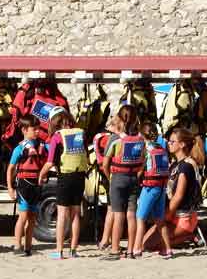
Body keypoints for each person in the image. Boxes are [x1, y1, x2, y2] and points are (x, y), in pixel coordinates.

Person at [143, 128, 205, 258]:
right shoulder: (176, 164)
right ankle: (184, 236)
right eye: (168, 141)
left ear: (182, 144)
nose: (169, 144)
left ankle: (190, 234)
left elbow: (178, 196)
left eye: (172, 141)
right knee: (145, 242)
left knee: (152, 245)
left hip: (183, 217)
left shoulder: (186, 166)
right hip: (174, 216)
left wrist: (165, 215)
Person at [39, 111, 88, 259]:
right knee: (75, 215)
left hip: (65, 177)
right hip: (79, 177)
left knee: (62, 215)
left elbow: (50, 162)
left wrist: (41, 175)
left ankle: (59, 251)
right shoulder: (81, 133)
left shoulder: (57, 136)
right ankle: (73, 250)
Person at [102, 104, 145, 260]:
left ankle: (115, 250)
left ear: (120, 118)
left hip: (118, 178)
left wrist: (110, 177)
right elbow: (142, 162)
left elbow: (105, 164)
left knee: (118, 215)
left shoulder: (114, 139)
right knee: (131, 215)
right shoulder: (141, 139)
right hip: (133, 178)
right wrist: (136, 175)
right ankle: (131, 250)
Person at [7, 115, 47, 257]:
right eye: (34, 129)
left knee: (32, 218)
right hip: (24, 185)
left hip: (36, 185)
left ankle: (28, 247)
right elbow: (11, 169)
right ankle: (17, 246)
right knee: (23, 217)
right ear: (24, 130)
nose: (37, 132)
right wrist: (10, 187)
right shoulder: (19, 149)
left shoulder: (42, 146)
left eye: (38, 129)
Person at [134, 122, 169, 257]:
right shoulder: (161, 148)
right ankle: (167, 249)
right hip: (161, 187)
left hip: (149, 187)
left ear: (142, 135)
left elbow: (141, 169)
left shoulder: (146, 150)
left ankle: (137, 248)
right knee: (160, 220)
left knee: (140, 218)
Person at [92, 116, 118, 250]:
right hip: (110, 174)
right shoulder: (107, 138)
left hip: (105, 173)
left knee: (111, 208)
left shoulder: (99, 136)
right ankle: (105, 239)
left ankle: (107, 238)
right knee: (112, 208)